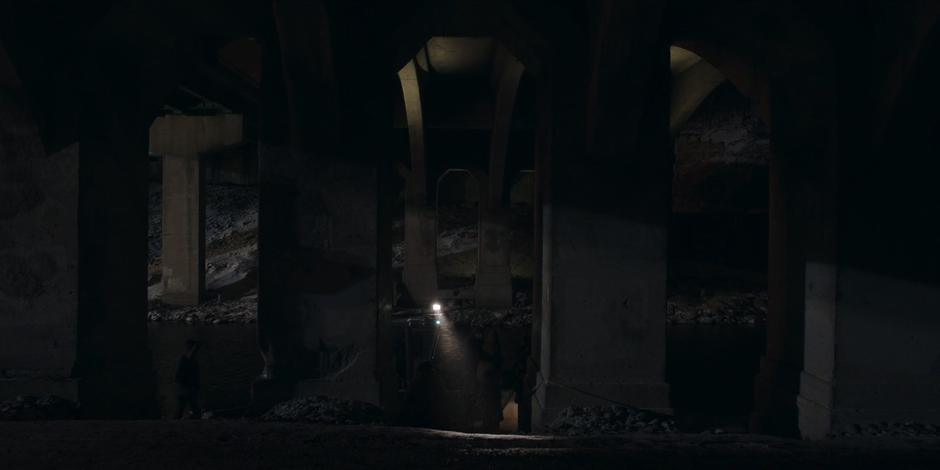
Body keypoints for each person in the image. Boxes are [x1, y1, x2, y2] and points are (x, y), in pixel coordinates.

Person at [175, 339, 202, 419]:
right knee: (187, 403)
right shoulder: (186, 359)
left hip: (188, 384)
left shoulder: (187, 359)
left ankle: (179, 418)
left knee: (185, 404)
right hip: (187, 385)